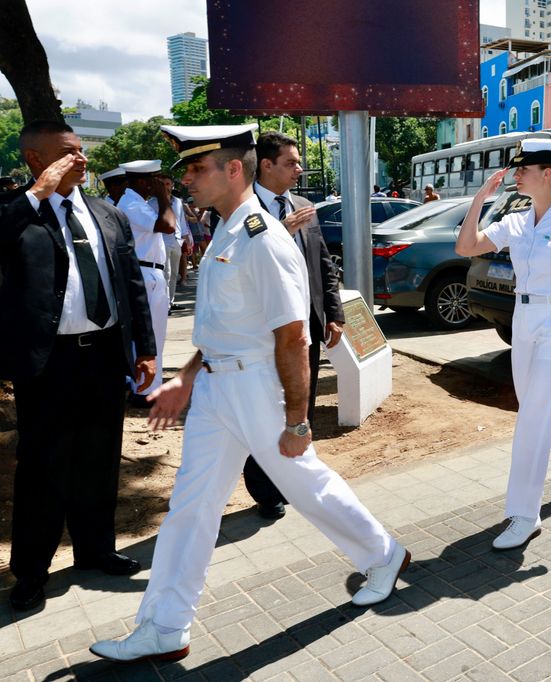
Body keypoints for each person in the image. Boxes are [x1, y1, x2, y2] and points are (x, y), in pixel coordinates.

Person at [90, 123, 409, 663]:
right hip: (217, 390)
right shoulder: (226, 229)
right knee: (190, 507)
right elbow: (220, 327)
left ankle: (383, 554)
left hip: (258, 389)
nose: (185, 179)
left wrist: (297, 419)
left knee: (306, 484)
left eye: (196, 168)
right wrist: (186, 379)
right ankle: (164, 626)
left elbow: (291, 336)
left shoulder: (262, 237)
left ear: (232, 169)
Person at [0, 120, 157, 611]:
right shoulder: (17, 213)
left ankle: (95, 550)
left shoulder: (107, 214)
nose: (81, 159)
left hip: (106, 354)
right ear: (35, 159)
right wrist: (35, 197)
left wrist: (146, 350)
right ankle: (30, 572)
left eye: (82, 150)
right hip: (49, 363)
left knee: (99, 457)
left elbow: (131, 284)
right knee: (43, 467)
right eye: (69, 152)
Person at [455, 139, 551, 550]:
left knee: (532, 418)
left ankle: (524, 514)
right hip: (524, 321)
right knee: (535, 410)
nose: (517, 173)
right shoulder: (517, 222)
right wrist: (479, 201)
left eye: (526, 168)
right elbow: (466, 247)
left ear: (549, 174)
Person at [246, 131, 346, 520]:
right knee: (266, 410)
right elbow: (239, 265)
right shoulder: (243, 208)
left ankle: (294, 478)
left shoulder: (304, 204)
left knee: (300, 407)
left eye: (299, 162)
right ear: (266, 165)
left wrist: (333, 313)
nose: (299, 170)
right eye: (291, 162)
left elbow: (323, 264)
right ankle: (265, 490)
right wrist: (279, 233)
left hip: (306, 326)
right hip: (265, 331)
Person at [117, 159, 176, 405]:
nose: (159, 184)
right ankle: (145, 390)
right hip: (145, 272)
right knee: (150, 335)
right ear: (143, 181)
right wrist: (164, 197)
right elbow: (168, 225)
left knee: (152, 334)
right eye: (155, 180)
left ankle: (148, 387)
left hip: (150, 272)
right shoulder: (131, 203)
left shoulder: (136, 202)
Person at [153, 173, 192, 311]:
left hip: (177, 240)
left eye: (168, 184)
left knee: (175, 273)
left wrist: (187, 238)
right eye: (162, 184)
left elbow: (181, 221)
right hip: (161, 241)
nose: (165, 187)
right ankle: (165, 304)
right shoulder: (152, 203)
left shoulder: (178, 202)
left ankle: (171, 301)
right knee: (166, 273)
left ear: (172, 185)